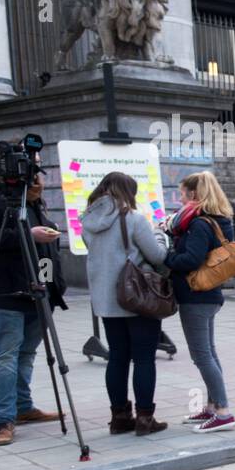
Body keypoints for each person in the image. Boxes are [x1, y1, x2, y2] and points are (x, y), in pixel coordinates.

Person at [80, 171, 170, 435]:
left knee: (117, 358)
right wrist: (161, 235)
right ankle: (144, 418)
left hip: (107, 300)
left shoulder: (87, 220)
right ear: (128, 192)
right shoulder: (133, 218)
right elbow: (157, 255)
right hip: (137, 298)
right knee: (144, 359)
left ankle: (119, 417)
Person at [163, 171, 235, 433]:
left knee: (201, 355)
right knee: (209, 352)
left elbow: (191, 260)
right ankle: (213, 406)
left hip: (196, 295)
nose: (179, 198)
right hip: (210, 293)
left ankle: (224, 412)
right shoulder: (218, 220)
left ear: (194, 194)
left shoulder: (199, 224)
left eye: (182, 193)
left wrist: (166, 257)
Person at [0, 174, 64, 446]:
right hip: (8, 293)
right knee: (6, 357)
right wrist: (29, 233)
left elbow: (45, 251)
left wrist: (53, 286)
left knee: (26, 354)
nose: (37, 176)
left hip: (38, 293)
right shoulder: (4, 201)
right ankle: (3, 419)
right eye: (31, 166)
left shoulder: (35, 202)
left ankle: (23, 407)